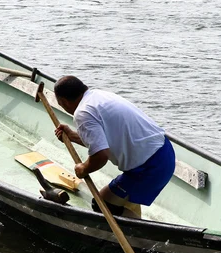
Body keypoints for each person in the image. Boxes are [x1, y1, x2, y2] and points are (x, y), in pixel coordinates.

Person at [53, 75, 175, 218]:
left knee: (103, 205)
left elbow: (101, 155)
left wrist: (83, 169)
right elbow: (103, 141)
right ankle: (135, 223)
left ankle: (140, 233)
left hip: (148, 167)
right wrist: (73, 136)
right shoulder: (98, 95)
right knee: (121, 199)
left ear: (63, 102)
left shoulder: (82, 113)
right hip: (164, 152)